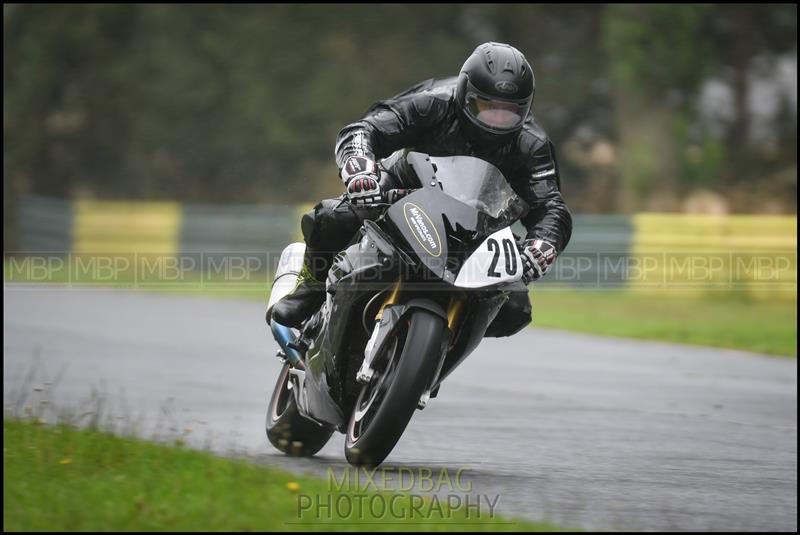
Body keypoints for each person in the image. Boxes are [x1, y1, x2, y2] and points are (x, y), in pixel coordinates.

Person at [271, 42, 572, 337]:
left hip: (476, 227)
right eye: (487, 107)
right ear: (466, 94)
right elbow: (366, 130)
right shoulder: (432, 103)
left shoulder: (532, 145)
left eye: (510, 111)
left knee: (514, 310)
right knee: (332, 218)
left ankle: (441, 346)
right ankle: (310, 291)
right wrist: (360, 168)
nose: (497, 119)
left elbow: (550, 206)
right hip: (402, 193)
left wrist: (542, 245)